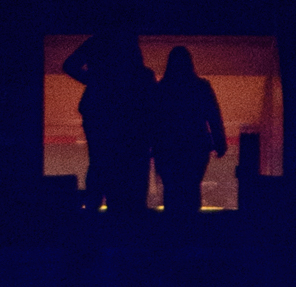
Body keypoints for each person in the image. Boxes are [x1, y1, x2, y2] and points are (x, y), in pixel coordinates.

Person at [63, 29, 156, 218]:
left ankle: (93, 210)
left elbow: (70, 65)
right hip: (128, 117)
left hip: (99, 113)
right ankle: (127, 215)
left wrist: (94, 81)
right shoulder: (129, 45)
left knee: (99, 163)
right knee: (128, 167)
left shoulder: (97, 41)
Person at [150, 46, 228, 225]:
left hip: (167, 148)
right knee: (192, 188)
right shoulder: (201, 87)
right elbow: (213, 116)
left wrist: (151, 146)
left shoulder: (161, 88)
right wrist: (219, 141)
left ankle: (174, 232)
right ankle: (192, 229)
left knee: (171, 191)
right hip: (195, 147)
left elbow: (153, 120)